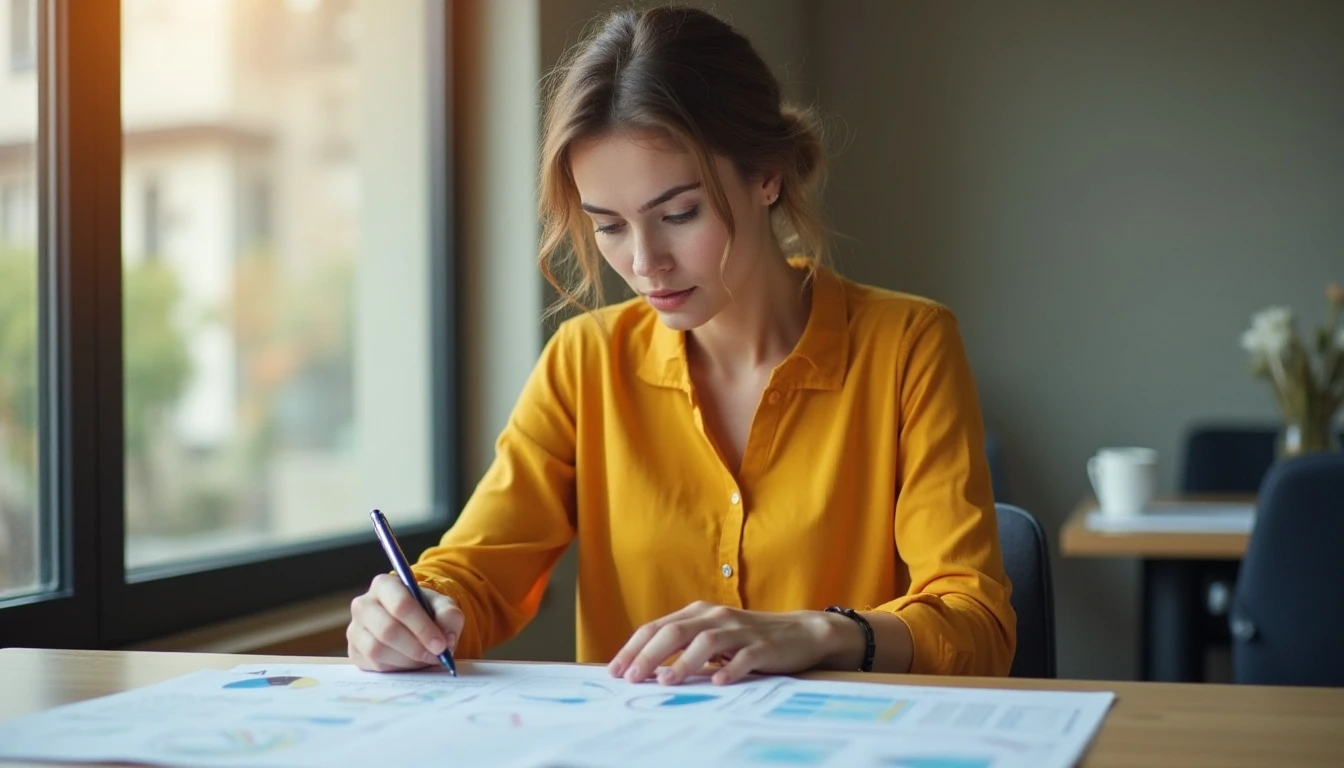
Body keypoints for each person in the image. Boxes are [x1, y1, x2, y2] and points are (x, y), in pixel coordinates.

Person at [346, 5, 1015, 685]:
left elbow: (975, 625)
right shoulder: (585, 362)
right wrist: (416, 611)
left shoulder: (907, 346)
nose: (644, 263)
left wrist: (817, 632)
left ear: (766, 176)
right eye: (608, 226)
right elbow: (479, 575)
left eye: (678, 215)